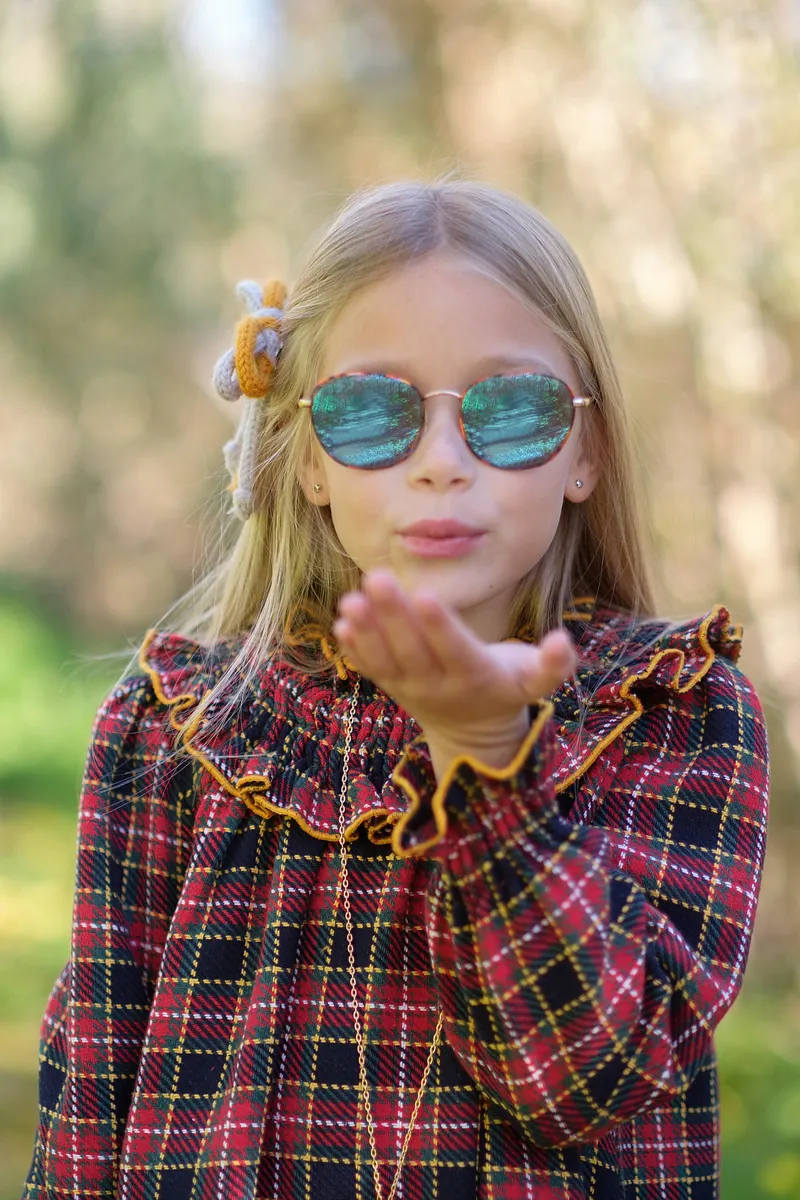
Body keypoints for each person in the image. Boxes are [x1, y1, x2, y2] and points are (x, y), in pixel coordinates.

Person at [24, 180, 768, 1200]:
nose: (441, 463)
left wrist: (488, 759)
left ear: (585, 452)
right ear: (307, 459)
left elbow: (586, 1080)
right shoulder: (172, 730)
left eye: (508, 410)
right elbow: (90, 1094)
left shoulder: (673, 713)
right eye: (373, 412)